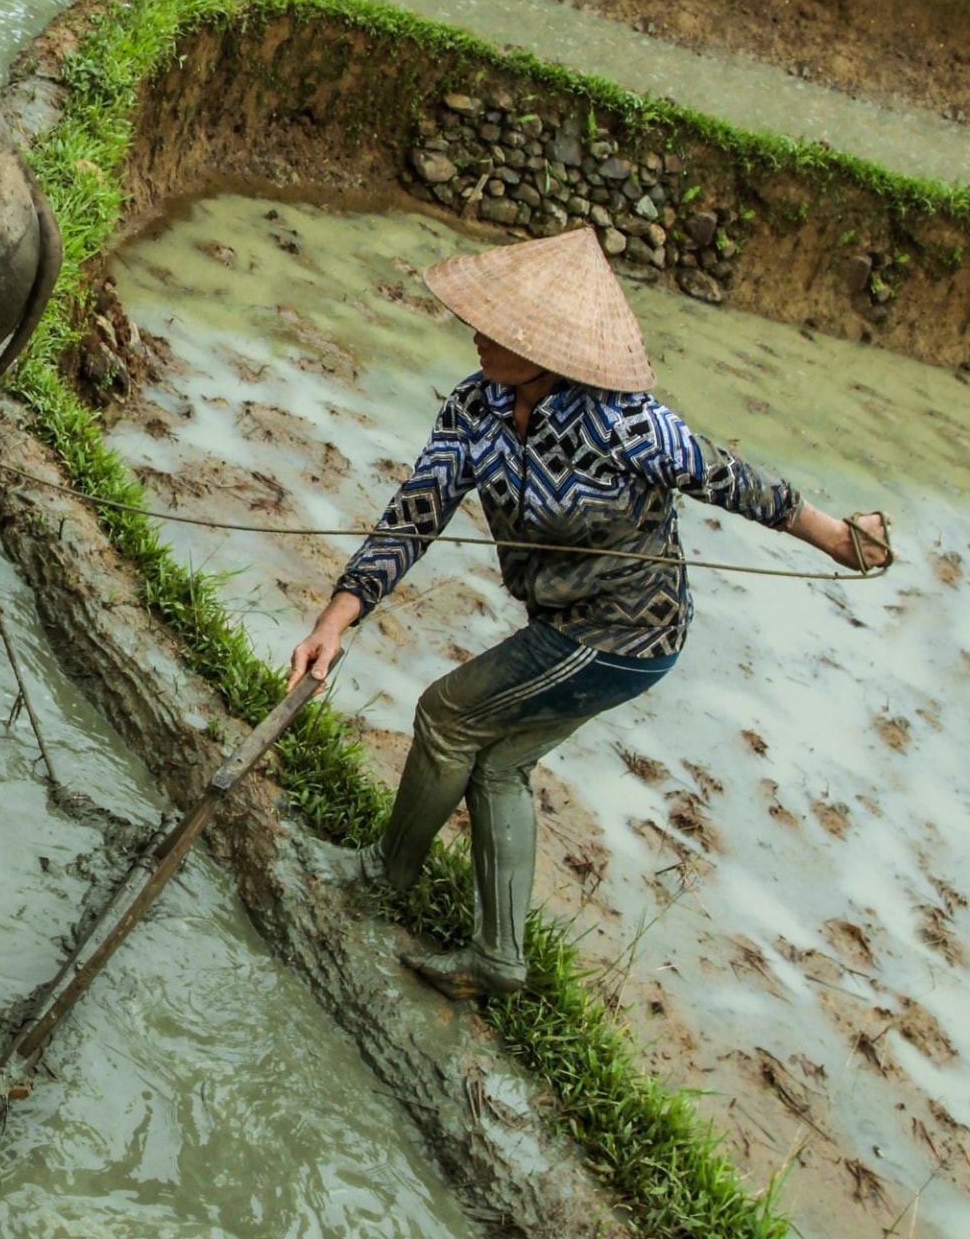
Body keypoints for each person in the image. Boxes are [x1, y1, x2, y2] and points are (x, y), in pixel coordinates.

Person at [286, 226, 891, 999]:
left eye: (498, 332)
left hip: (625, 633)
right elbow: (414, 514)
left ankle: (380, 878)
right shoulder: (475, 409)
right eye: (482, 323)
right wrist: (334, 622)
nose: (478, 337)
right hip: (560, 623)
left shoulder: (629, 423)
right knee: (498, 760)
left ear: (548, 352)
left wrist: (839, 538)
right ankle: (498, 958)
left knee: (448, 715)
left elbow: (740, 483)